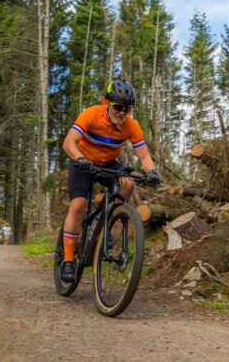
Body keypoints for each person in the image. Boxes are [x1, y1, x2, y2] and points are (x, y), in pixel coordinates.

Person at [59, 79, 160, 283]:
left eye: (127, 109)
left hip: (107, 163)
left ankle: (107, 227)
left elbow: (145, 156)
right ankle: (68, 261)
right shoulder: (91, 114)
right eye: (118, 107)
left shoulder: (130, 125)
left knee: (127, 183)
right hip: (82, 162)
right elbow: (68, 142)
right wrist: (79, 158)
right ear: (107, 103)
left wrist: (152, 173)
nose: (122, 112)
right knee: (79, 204)